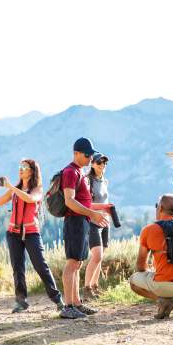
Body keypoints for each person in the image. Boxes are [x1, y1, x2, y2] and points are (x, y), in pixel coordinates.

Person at [0, 159, 63, 313]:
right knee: (18, 268)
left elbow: (29, 198)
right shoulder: (15, 189)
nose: (20, 169)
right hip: (13, 234)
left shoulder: (37, 189)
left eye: (24, 167)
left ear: (32, 171)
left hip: (31, 233)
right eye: (20, 167)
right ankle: (21, 302)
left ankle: (58, 300)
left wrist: (10, 187)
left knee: (41, 266)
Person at [59, 137, 110, 319]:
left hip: (82, 222)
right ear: (76, 154)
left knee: (78, 263)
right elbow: (69, 201)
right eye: (87, 155)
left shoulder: (80, 172)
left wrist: (95, 213)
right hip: (74, 222)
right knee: (72, 263)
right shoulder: (70, 172)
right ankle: (68, 305)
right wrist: (92, 213)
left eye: (91, 155)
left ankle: (77, 303)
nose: (90, 158)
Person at [129, 194, 173, 319]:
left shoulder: (149, 230)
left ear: (160, 208)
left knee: (133, 281)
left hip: (163, 285)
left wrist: (154, 271)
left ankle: (163, 300)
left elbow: (140, 267)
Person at [83, 153, 110, 301]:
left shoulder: (104, 181)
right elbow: (86, 205)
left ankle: (94, 286)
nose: (103, 165)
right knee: (97, 256)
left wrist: (108, 211)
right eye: (99, 162)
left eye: (105, 163)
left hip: (105, 222)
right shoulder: (88, 182)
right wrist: (104, 207)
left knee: (100, 257)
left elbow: (105, 200)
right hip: (92, 222)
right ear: (92, 164)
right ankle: (86, 289)